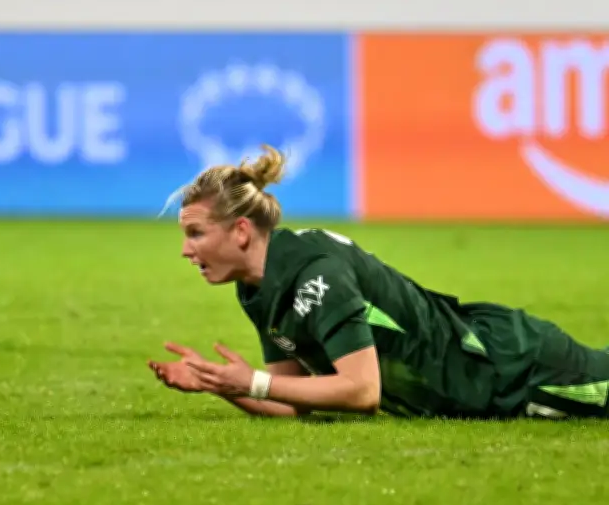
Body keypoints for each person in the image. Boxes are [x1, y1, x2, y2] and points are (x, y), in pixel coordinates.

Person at [147, 144, 609, 420]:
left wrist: (254, 381)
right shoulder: (258, 285)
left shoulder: (315, 276)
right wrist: (221, 384)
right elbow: (290, 400)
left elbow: (361, 391)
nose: (186, 250)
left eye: (196, 233)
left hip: (515, 372)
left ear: (241, 231)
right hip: (483, 366)